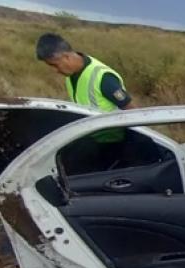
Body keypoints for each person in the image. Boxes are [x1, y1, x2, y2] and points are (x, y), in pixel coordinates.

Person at [35, 33, 143, 173]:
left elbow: (133, 111)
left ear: (66, 57)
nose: (56, 71)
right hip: (87, 136)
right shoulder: (72, 75)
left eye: (55, 65)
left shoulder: (103, 78)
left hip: (108, 143)